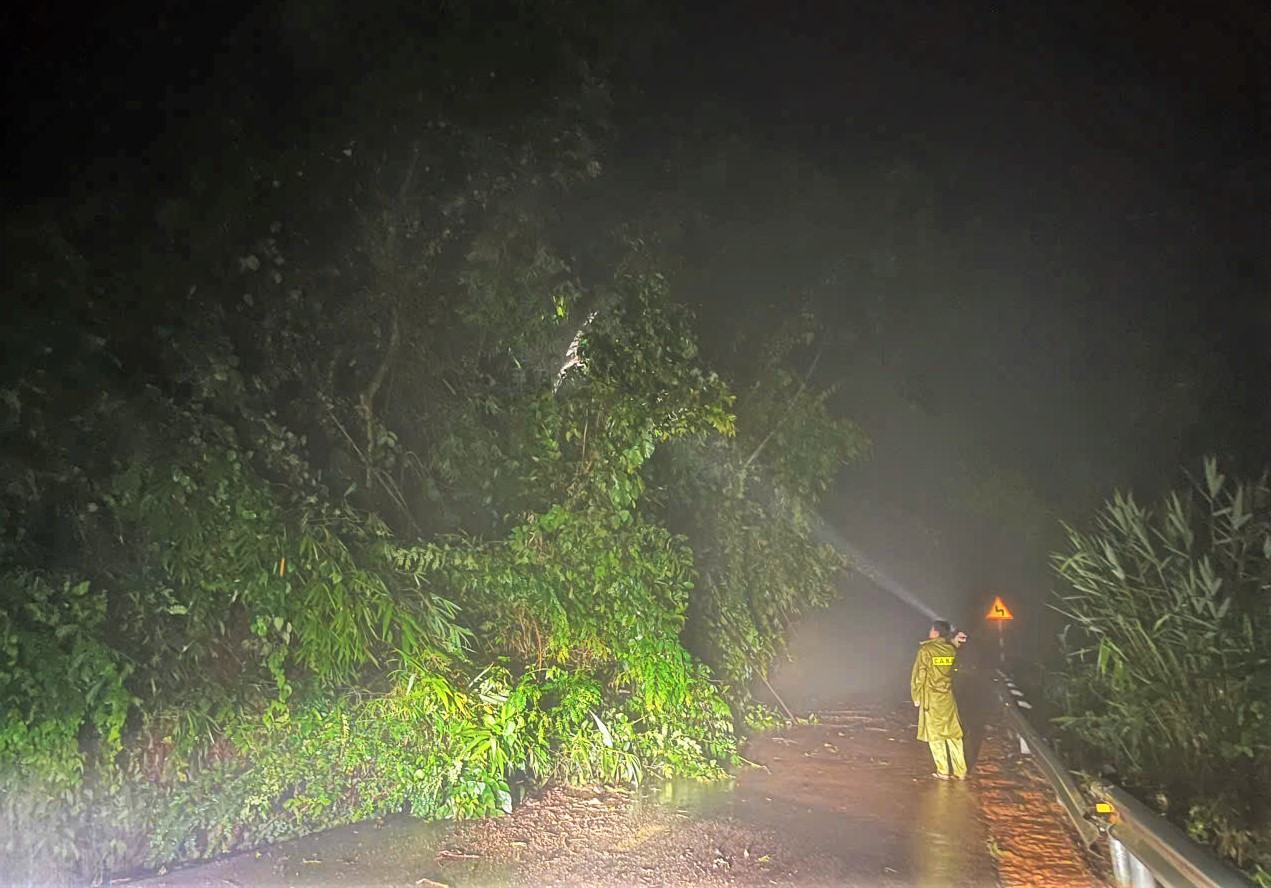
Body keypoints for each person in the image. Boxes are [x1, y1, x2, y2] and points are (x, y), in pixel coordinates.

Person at [910, 620, 967, 780]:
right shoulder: (951, 650)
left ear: (935, 632)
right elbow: (951, 651)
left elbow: (919, 675)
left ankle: (943, 771)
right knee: (954, 734)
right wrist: (955, 640)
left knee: (935, 736)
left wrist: (916, 695)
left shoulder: (926, 650)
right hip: (947, 697)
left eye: (931, 630)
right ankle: (960, 771)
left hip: (931, 699)